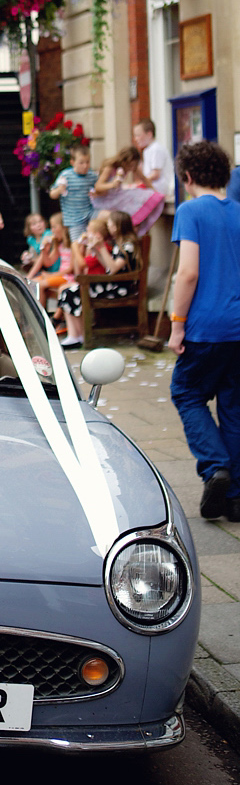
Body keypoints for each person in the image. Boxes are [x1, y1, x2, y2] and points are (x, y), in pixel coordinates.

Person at [168, 140, 240, 522]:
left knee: (187, 393)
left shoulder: (190, 211)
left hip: (205, 327)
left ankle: (215, 468)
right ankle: (237, 497)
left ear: (188, 176)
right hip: (238, 328)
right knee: (234, 405)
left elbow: (188, 273)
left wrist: (177, 325)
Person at [57, 209, 142, 350]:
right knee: (68, 291)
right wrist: (96, 250)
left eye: (110, 225)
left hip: (120, 288)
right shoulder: (119, 244)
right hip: (114, 284)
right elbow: (109, 267)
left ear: (117, 226)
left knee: (70, 292)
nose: (108, 227)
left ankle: (78, 336)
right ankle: (75, 335)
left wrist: (101, 247)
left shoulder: (128, 245)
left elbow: (114, 268)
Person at [90, 144, 165, 237]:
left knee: (140, 194)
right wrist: (112, 184)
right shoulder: (110, 167)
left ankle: (135, 228)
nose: (131, 168)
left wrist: (155, 192)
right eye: (130, 165)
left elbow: (144, 179)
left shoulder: (132, 167)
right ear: (124, 161)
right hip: (106, 198)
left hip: (117, 195)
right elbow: (98, 186)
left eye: (134, 165)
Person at [48, 143, 94, 243]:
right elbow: (52, 194)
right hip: (74, 219)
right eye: (81, 163)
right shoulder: (66, 175)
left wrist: (97, 193)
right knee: (78, 244)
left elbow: (98, 188)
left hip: (90, 215)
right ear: (72, 162)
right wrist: (59, 190)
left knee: (91, 241)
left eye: (88, 162)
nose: (85, 165)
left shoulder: (92, 175)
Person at [133, 118, 174, 199]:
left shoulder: (156, 149)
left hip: (160, 190)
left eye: (138, 135)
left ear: (149, 134)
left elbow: (155, 174)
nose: (136, 139)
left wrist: (141, 182)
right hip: (153, 190)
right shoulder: (147, 150)